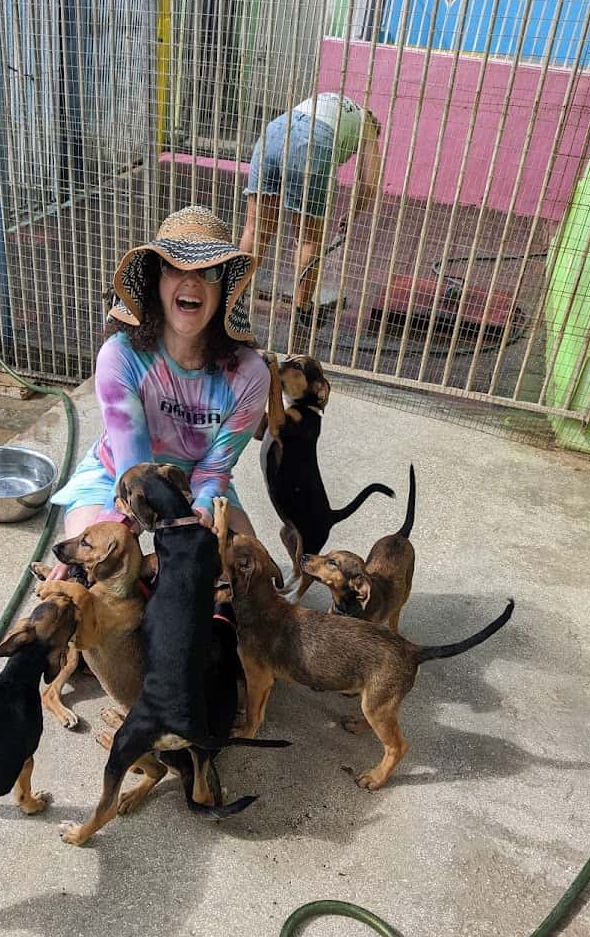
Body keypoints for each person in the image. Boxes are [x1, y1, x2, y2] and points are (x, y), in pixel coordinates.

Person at [48, 205, 271, 580]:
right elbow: (134, 474)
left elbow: (214, 470)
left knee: (248, 577)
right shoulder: (120, 356)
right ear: (155, 279)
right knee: (92, 577)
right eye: (173, 266)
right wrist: (100, 541)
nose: (191, 281)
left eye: (209, 271)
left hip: (197, 483)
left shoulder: (250, 375)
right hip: (116, 479)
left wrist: (199, 516)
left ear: (226, 289)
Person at [239, 92, 382, 325]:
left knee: (255, 230)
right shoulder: (367, 126)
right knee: (309, 239)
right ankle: (303, 307)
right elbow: (369, 182)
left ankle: (233, 294)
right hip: (313, 143)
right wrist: (352, 213)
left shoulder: (337, 102)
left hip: (274, 131)